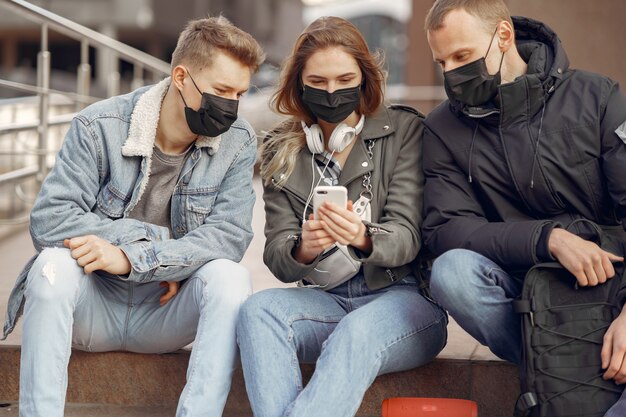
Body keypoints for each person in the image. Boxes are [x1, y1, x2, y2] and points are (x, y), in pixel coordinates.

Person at [1, 16, 264, 417]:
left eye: (240, 94)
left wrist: (136, 257)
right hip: (93, 307)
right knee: (50, 266)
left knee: (231, 278)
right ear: (181, 77)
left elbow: (228, 237)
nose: (230, 106)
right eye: (221, 90)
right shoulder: (99, 125)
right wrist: (154, 247)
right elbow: (50, 220)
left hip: (164, 311)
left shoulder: (238, 141)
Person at [235, 16, 447, 417]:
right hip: (326, 300)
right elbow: (277, 256)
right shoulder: (282, 146)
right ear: (299, 85)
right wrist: (303, 249)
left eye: (344, 79)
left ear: (364, 79)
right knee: (256, 312)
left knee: (356, 331)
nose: (331, 92)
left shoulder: (404, 131)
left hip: (404, 300)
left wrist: (363, 236)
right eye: (317, 82)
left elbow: (407, 235)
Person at [421, 0, 626, 414]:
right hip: (525, 299)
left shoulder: (597, 96)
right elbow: (447, 229)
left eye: (462, 56)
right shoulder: (441, 128)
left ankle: (571, 374)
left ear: (503, 35)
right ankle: (563, 367)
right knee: (452, 273)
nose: (450, 73)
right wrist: (546, 239)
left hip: (612, 288)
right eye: (441, 61)